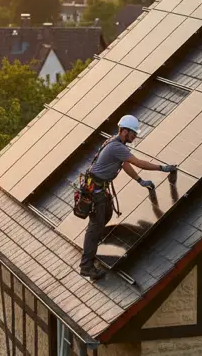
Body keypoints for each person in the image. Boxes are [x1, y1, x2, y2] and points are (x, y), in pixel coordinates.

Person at [80, 115, 178, 280]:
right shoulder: (117, 147)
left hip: (98, 189)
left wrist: (140, 181)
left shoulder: (115, 143)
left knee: (107, 214)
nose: (135, 136)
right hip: (95, 191)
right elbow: (138, 163)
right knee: (95, 227)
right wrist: (162, 168)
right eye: (132, 133)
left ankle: (93, 240)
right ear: (123, 131)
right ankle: (87, 266)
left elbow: (125, 164)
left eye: (135, 133)